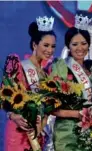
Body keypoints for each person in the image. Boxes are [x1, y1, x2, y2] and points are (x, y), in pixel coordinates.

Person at [3, 16, 56, 151]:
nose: (50, 50)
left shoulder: (48, 73)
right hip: (19, 132)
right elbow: (4, 99)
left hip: (39, 134)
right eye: (46, 45)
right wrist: (13, 115)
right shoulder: (19, 67)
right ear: (34, 45)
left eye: (53, 46)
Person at [51, 15, 92, 151]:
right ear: (68, 46)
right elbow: (50, 106)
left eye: (84, 43)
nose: (80, 48)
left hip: (89, 131)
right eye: (75, 44)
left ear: (89, 45)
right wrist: (78, 114)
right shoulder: (60, 66)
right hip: (66, 132)